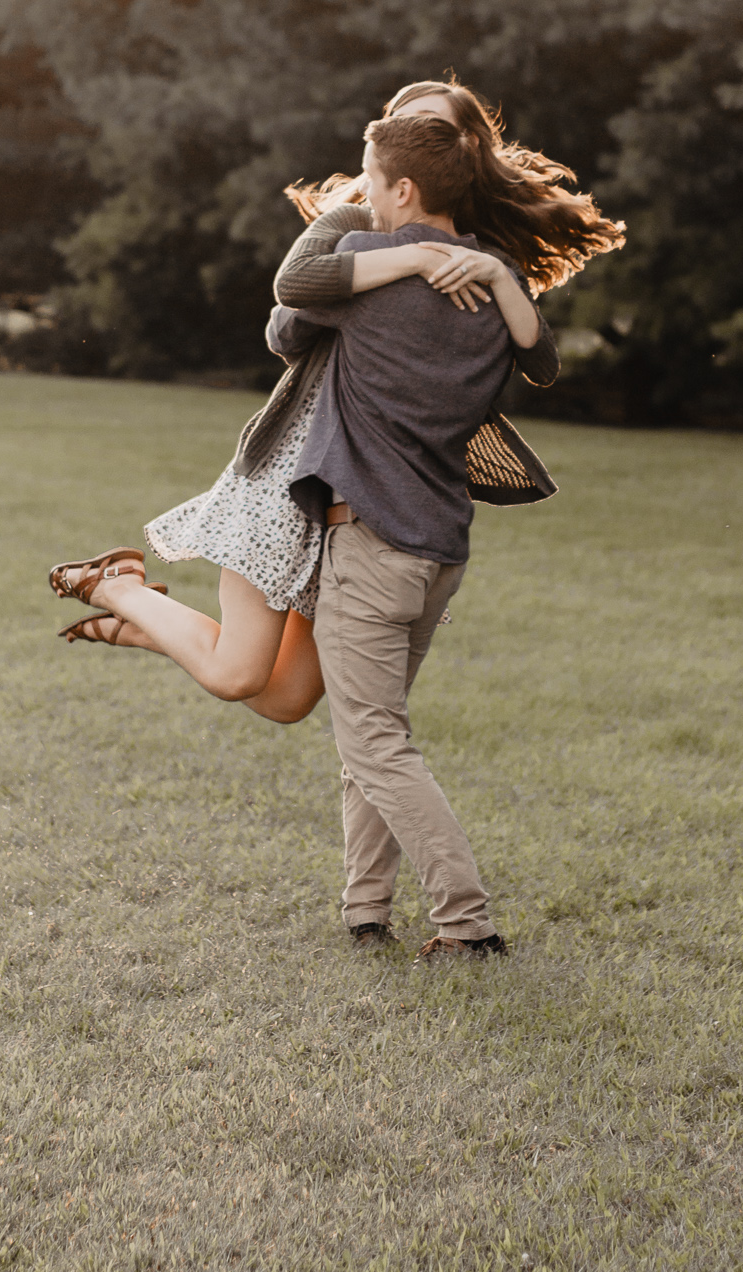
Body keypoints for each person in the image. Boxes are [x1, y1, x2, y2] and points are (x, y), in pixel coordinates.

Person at [50, 81, 623, 729]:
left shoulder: (481, 261)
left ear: (465, 154)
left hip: (374, 501)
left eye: (435, 134)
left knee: (286, 700)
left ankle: (142, 625)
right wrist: (404, 260)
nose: (415, 148)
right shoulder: (350, 224)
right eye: (403, 129)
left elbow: (538, 360)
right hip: (292, 474)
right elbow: (285, 319)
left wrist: (480, 273)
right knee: (237, 674)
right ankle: (116, 585)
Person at [265, 110, 565, 960]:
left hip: (368, 546)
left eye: (367, 180)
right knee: (377, 730)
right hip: (437, 549)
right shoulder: (493, 276)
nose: (359, 195)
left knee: (375, 743)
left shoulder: (361, 263)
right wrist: (466, 268)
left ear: (402, 188)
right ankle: (365, 908)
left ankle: (466, 924)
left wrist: (377, 252)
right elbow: (542, 361)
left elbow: (287, 314)